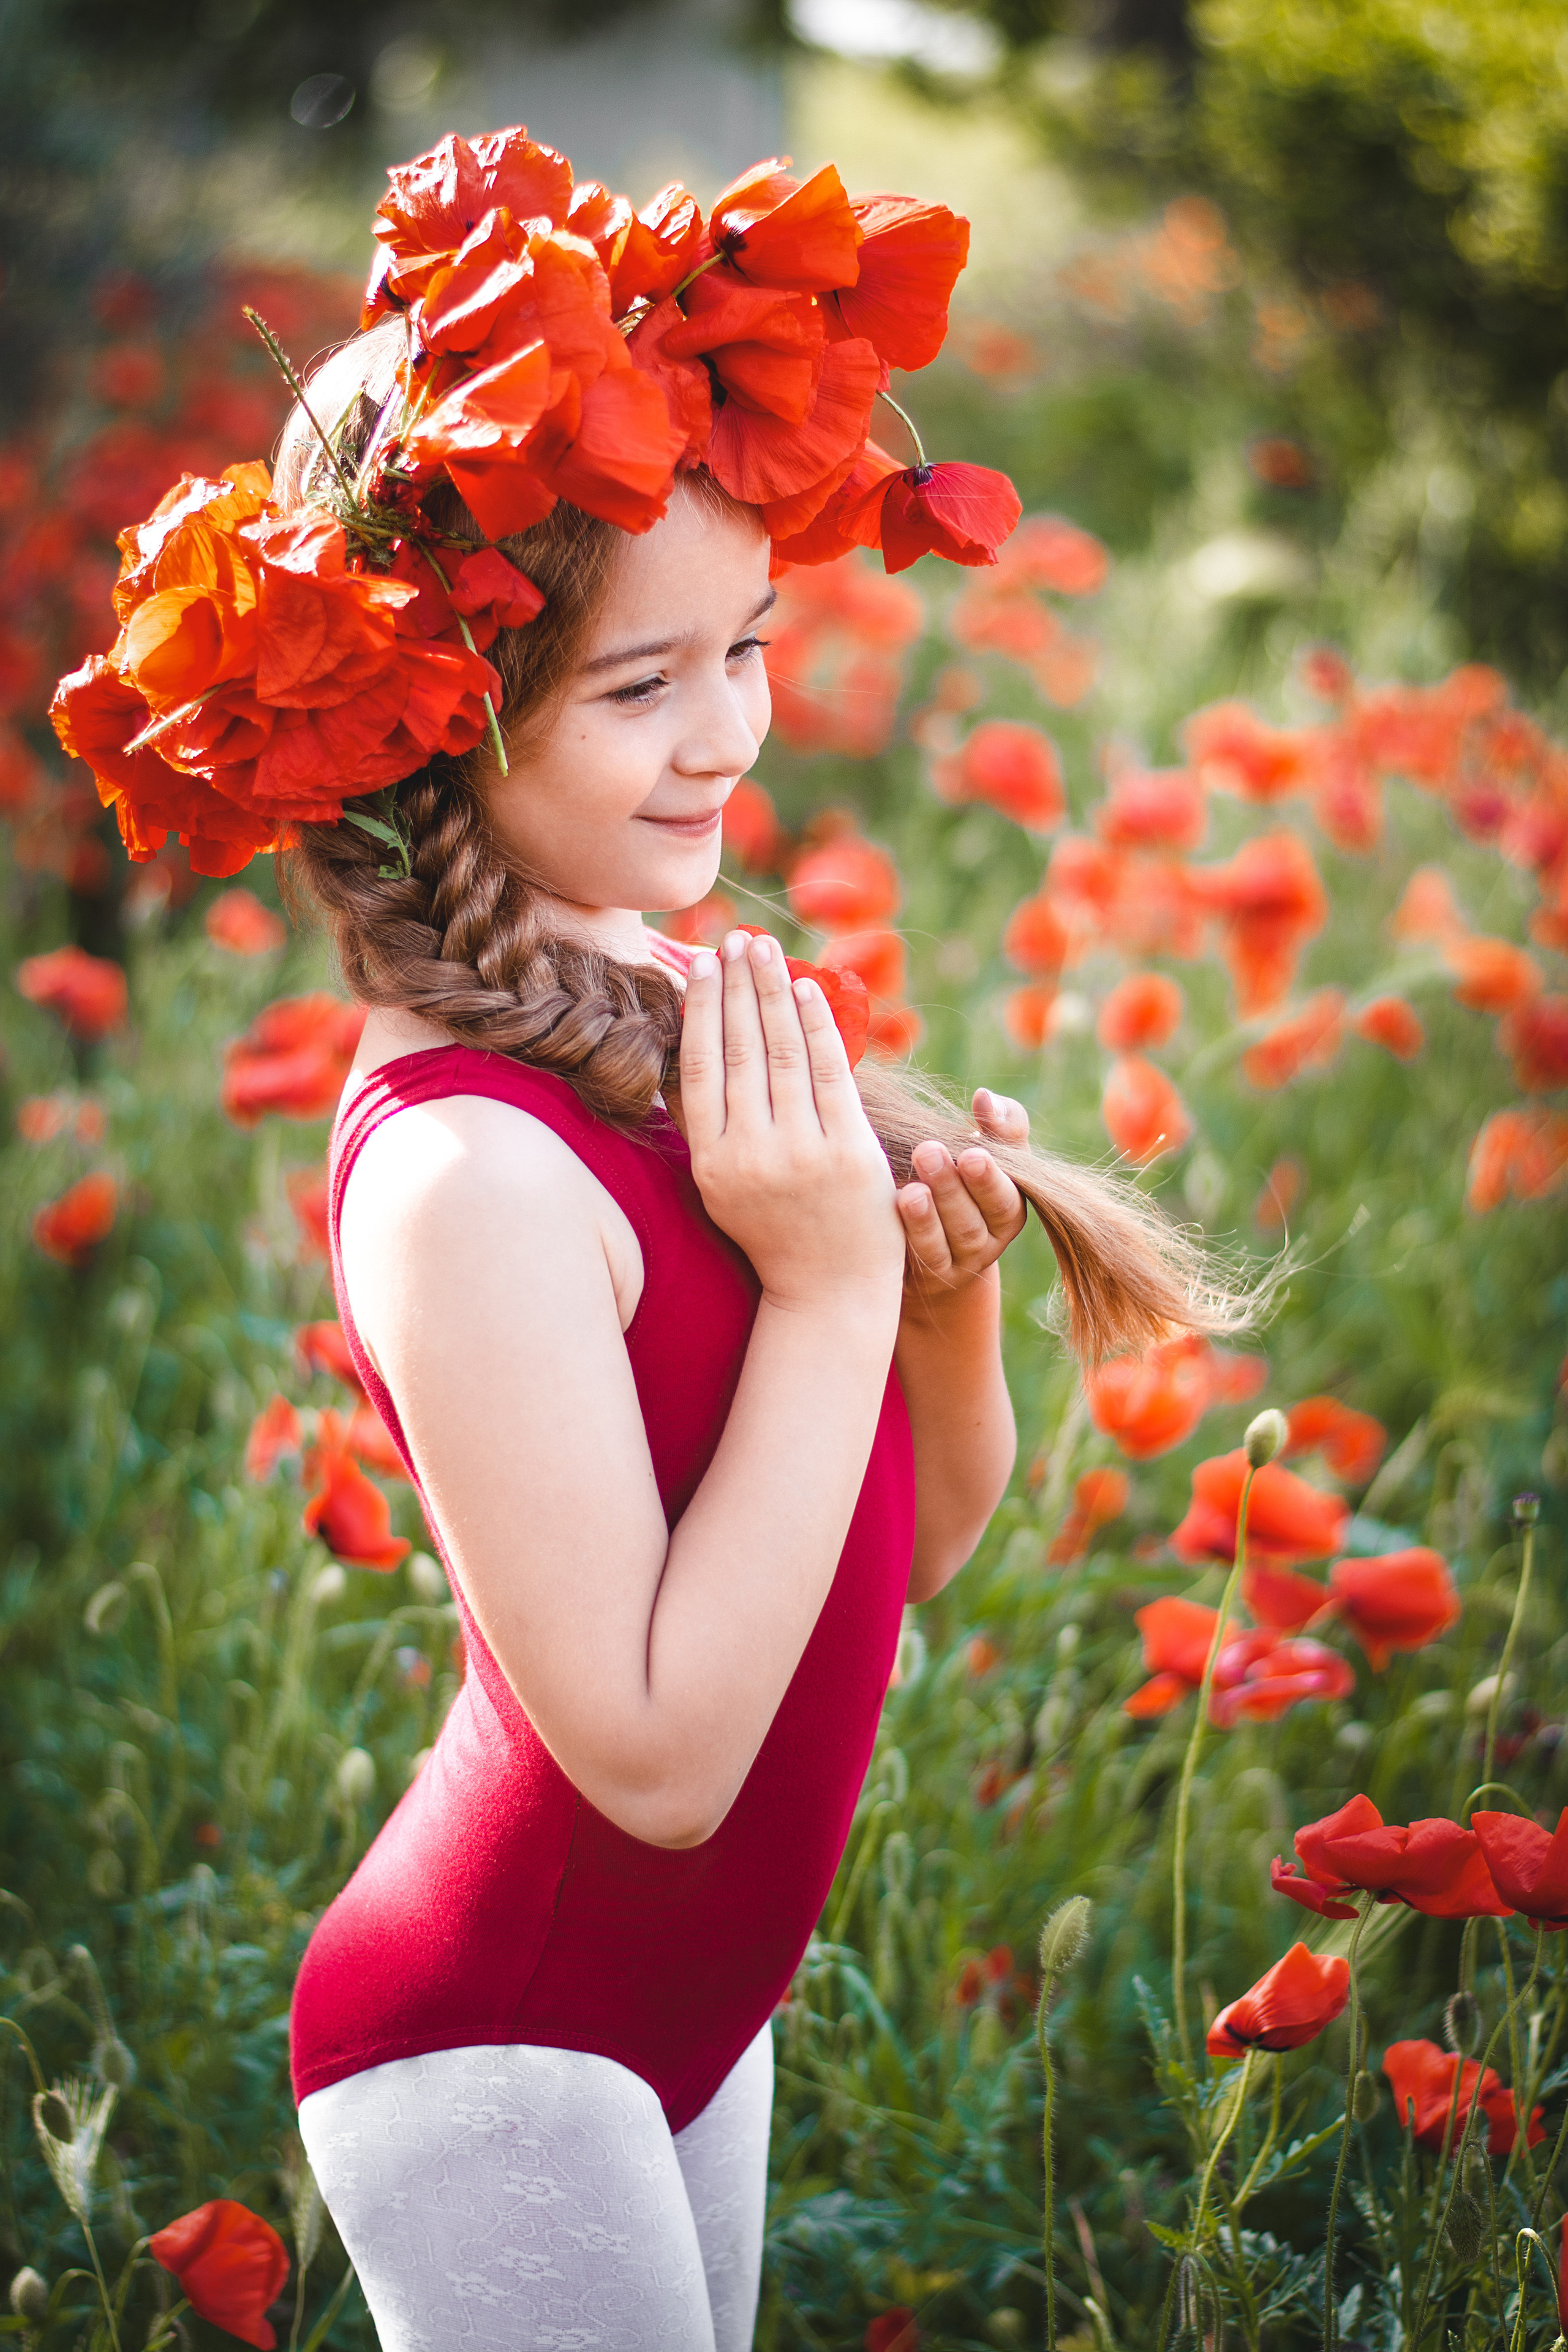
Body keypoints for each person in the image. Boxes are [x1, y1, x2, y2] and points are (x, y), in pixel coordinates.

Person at [52, 122, 1243, 2352]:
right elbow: (663, 1755)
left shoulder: (668, 1003)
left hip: (688, 2026)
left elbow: (905, 1553)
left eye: (751, 650)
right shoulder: (463, 1171)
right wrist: (816, 1283)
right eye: (638, 687)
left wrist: (929, 1313)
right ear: (429, 724)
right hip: (494, 2050)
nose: (729, 737)